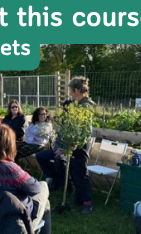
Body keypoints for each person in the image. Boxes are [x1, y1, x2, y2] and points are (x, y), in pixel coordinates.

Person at [35, 76, 96, 215]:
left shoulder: (86, 106)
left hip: (80, 145)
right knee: (74, 172)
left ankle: (88, 204)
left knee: (81, 174)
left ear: (76, 90)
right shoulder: (77, 104)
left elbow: (86, 129)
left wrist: (75, 144)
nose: (69, 93)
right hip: (73, 143)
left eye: (70, 90)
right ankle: (79, 199)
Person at [0, 125, 51, 231]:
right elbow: (35, 189)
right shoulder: (10, 169)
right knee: (43, 185)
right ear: (9, 145)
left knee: (45, 203)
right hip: (14, 220)